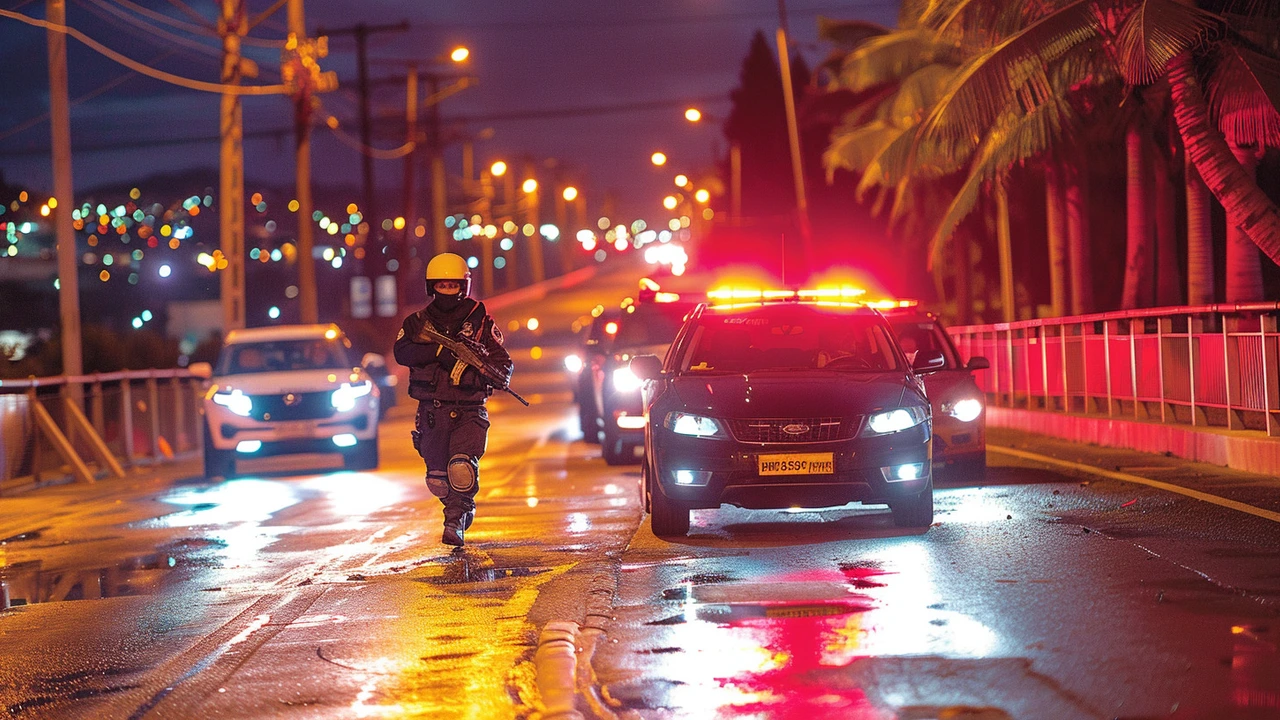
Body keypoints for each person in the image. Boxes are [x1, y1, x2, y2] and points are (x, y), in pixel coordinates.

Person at [394, 252, 513, 547]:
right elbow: (401, 352)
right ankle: (459, 508)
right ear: (431, 287)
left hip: (470, 409)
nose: (447, 291)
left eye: (453, 285)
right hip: (433, 410)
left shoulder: (481, 322)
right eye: (442, 285)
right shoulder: (418, 322)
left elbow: (502, 361)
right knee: (438, 478)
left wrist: (488, 373)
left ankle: (455, 519)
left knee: (461, 467)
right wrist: (437, 354)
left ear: (464, 286)